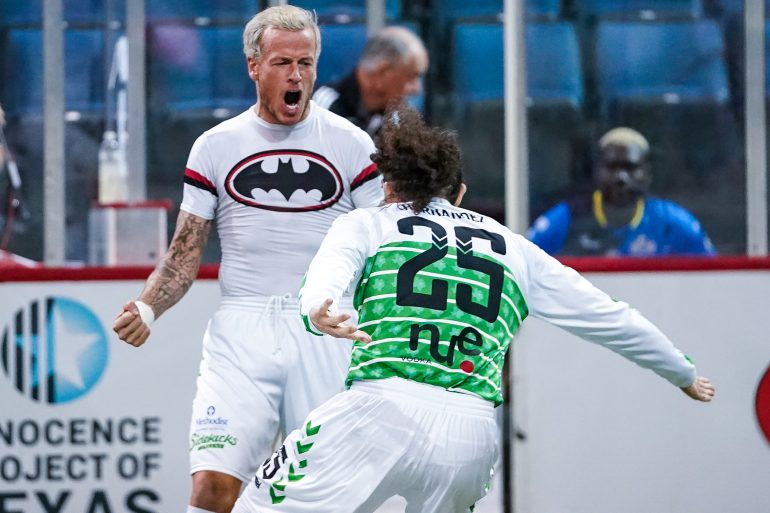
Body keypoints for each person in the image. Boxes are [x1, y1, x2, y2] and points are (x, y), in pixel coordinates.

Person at [230, 108, 715, 513]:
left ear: (389, 188)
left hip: (379, 410)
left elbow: (327, 275)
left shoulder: (367, 221)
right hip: (472, 436)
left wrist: (320, 309)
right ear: (459, 192)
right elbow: (610, 317)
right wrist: (681, 372)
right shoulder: (514, 247)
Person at [112, 6, 383, 513]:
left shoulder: (352, 144)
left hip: (328, 328)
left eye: (306, 63)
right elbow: (182, 255)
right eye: (283, 63)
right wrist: (148, 308)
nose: (296, 75)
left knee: (327, 497)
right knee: (212, 488)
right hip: (243, 330)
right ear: (254, 65)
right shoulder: (216, 147)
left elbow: (383, 248)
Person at [527, 127, 717, 256]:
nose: (621, 178)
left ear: (647, 174)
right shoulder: (567, 218)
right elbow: (521, 264)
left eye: (630, 167)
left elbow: (714, 278)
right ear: (596, 171)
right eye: (612, 167)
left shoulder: (674, 223)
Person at [312, 25, 428, 137]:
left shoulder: (395, 120)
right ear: (383, 72)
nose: (416, 89)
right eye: (412, 76)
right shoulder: (322, 107)